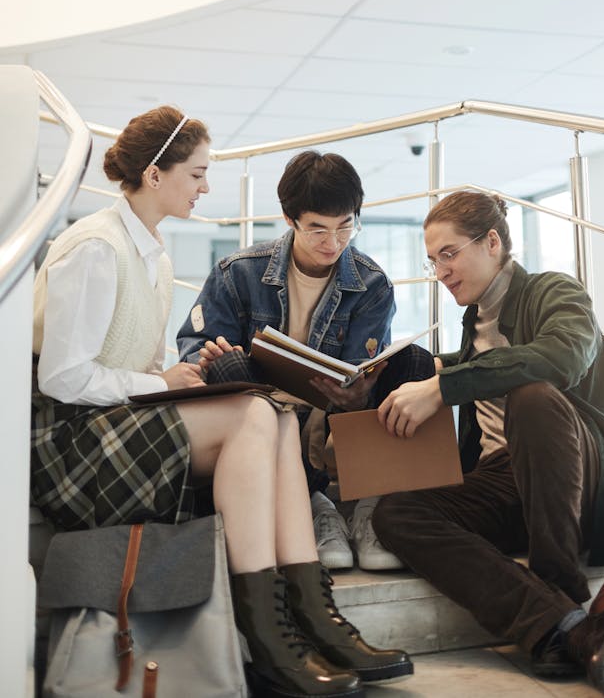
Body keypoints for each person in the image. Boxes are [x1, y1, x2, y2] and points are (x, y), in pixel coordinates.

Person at [31, 107, 412, 698]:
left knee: (272, 412)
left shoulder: (147, 250)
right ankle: (270, 636)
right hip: (73, 445)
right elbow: (62, 377)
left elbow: (119, 364)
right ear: (156, 174)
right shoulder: (95, 248)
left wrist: (167, 376)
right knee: (257, 409)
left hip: (115, 422)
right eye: (198, 173)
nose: (207, 186)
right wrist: (166, 383)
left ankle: (315, 616)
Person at [371, 190, 604, 698]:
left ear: (491, 242)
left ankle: (561, 586)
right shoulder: (474, 323)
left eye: (448, 254)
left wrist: (443, 386)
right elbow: (474, 366)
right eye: (432, 261)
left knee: (533, 397)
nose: (441, 271)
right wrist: (423, 372)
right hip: (505, 478)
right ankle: (563, 626)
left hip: (580, 475)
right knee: (396, 515)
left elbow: (559, 359)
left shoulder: (556, 291)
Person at [176, 149, 434, 572]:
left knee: (415, 365)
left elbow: (362, 369)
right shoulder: (237, 273)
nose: (332, 243)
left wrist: (354, 396)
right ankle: (316, 506)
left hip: (333, 415)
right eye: (317, 230)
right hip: (265, 415)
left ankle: (372, 510)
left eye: (345, 227)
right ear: (289, 218)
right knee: (236, 376)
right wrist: (214, 361)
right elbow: (195, 347)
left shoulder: (371, 283)